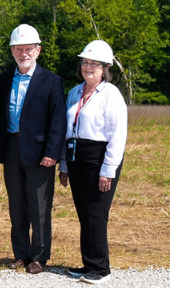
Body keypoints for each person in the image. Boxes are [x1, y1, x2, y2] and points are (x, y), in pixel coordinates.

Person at [0, 25, 66, 274]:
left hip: (39, 152)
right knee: (16, 204)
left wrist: (51, 152)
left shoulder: (51, 80)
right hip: (12, 146)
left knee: (39, 207)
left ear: (38, 50)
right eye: (18, 49)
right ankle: (20, 254)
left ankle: (39, 256)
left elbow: (58, 120)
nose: (23, 53)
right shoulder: (4, 79)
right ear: (12, 51)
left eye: (28, 49)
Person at [60, 40, 126, 285]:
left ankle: (101, 268)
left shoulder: (111, 94)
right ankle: (89, 263)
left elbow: (117, 135)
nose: (88, 67)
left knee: (96, 212)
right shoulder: (74, 92)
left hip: (99, 157)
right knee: (83, 212)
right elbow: (68, 131)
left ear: (105, 67)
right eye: (85, 62)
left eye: (94, 64)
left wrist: (107, 170)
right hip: (76, 154)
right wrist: (65, 165)